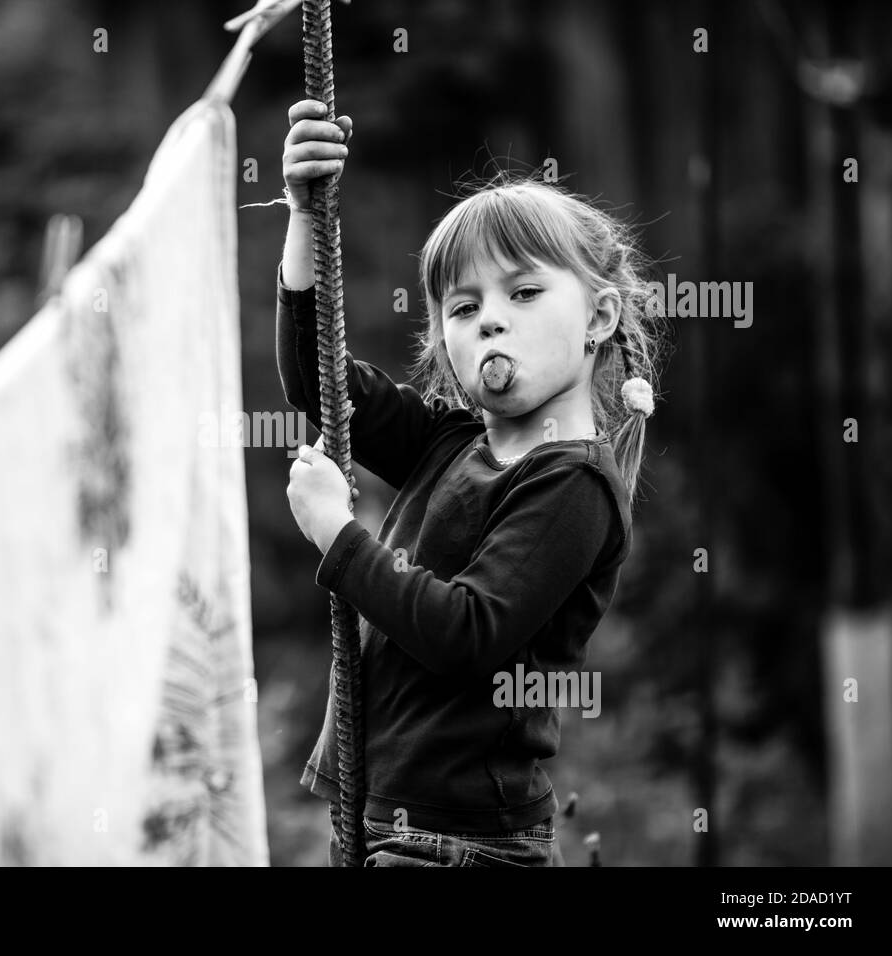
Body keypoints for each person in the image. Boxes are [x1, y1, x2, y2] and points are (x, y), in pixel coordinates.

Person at [276, 99, 667, 866]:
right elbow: (313, 378)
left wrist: (336, 532)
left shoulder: (572, 486)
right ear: (444, 340)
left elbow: (464, 635)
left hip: (460, 847)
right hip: (373, 820)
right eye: (465, 305)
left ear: (599, 317)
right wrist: (302, 217)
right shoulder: (446, 443)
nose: (491, 319)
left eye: (523, 294)